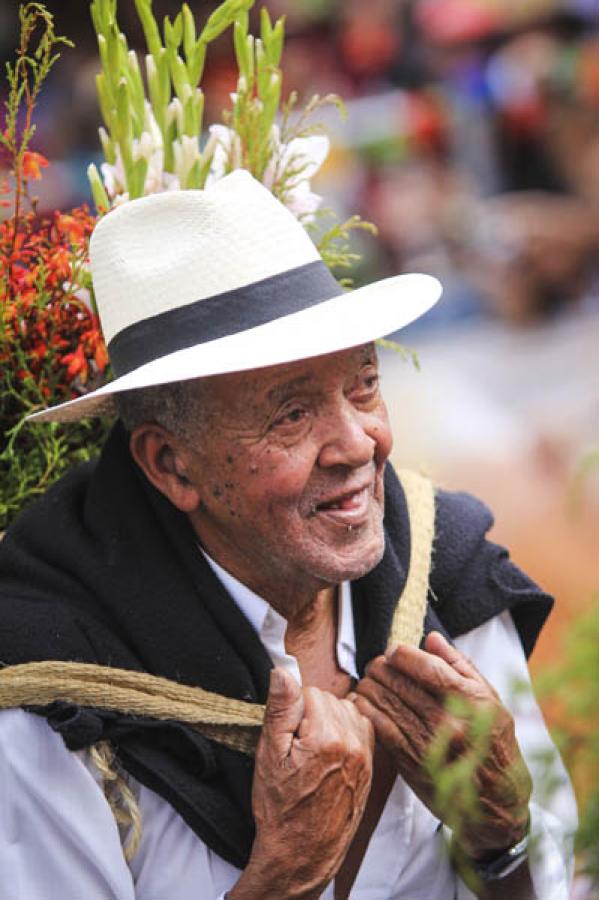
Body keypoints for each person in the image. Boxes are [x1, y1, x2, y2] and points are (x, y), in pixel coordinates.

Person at [0, 171, 576, 899]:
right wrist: (284, 875)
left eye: (362, 384)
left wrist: (501, 837)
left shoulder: (444, 572)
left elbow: (557, 874)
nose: (356, 444)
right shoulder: (51, 699)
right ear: (170, 462)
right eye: (291, 414)